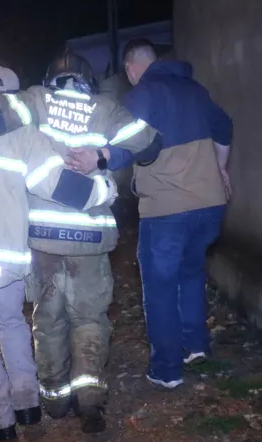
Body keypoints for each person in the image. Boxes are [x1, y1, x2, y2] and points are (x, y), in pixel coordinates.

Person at [0, 50, 161, 434]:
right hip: (84, 239)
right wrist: (103, 163)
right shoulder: (105, 109)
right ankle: (86, 399)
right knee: (86, 318)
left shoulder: (32, 104)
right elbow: (149, 146)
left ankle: (46, 400)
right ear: (88, 79)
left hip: (33, 241)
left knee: (43, 321)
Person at [66, 38, 234, 390]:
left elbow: (132, 144)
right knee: (190, 274)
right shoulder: (195, 90)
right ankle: (195, 345)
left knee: (159, 287)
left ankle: (167, 369)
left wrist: (97, 158)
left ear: (130, 68)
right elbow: (225, 127)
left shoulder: (144, 93)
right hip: (210, 207)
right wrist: (221, 169)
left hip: (168, 210)